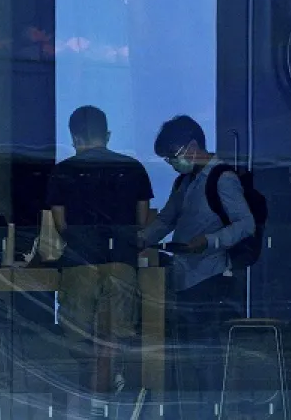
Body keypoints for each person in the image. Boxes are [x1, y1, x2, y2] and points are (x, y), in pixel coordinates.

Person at [139, 116, 254, 420]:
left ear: (192, 147)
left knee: (206, 355)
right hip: (185, 277)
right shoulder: (185, 181)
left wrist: (211, 241)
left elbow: (246, 224)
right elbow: (166, 219)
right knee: (190, 355)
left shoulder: (222, 178)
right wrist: (139, 240)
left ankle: (211, 413)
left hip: (211, 276)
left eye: (172, 156)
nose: (171, 163)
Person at [48, 105, 153, 406]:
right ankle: (107, 393)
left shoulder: (64, 170)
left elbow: (60, 223)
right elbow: (141, 220)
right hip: (121, 260)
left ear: (74, 137)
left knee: (80, 335)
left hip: (80, 261)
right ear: (107, 134)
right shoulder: (133, 167)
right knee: (114, 338)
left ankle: (93, 397)